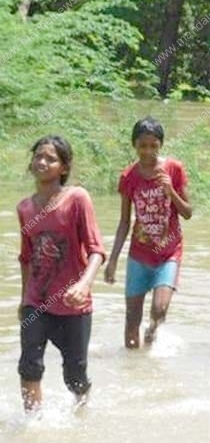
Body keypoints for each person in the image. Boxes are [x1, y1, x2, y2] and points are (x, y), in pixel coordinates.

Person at [17, 135, 105, 412]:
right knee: (29, 365)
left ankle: (83, 411)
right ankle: (34, 424)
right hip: (36, 300)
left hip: (72, 304)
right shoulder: (25, 208)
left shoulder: (77, 198)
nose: (42, 162)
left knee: (74, 377)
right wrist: (23, 300)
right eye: (38, 156)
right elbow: (27, 257)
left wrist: (84, 285)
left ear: (64, 168)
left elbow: (96, 250)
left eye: (51, 158)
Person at [104, 117, 192, 348]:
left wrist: (171, 190)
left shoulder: (173, 169)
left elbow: (188, 212)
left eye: (154, 146)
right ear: (135, 145)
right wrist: (112, 260)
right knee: (132, 318)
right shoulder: (129, 176)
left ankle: (152, 332)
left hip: (168, 252)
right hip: (139, 255)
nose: (148, 151)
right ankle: (132, 367)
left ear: (160, 145)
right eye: (143, 146)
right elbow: (124, 221)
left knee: (159, 309)